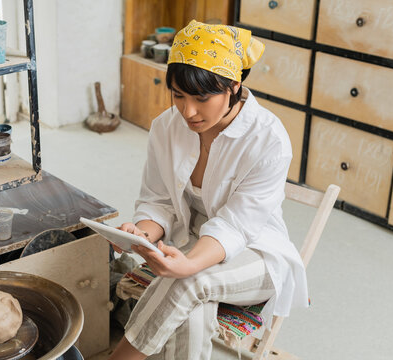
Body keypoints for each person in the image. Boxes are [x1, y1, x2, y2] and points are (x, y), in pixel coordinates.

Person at [108, 20, 308, 360]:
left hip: (256, 254)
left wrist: (188, 264)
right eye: (178, 95)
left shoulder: (268, 140)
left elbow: (237, 227)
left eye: (201, 98)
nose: (188, 111)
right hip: (190, 244)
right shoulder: (166, 127)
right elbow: (158, 201)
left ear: (233, 85)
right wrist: (140, 233)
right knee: (191, 307)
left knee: (190, 282)